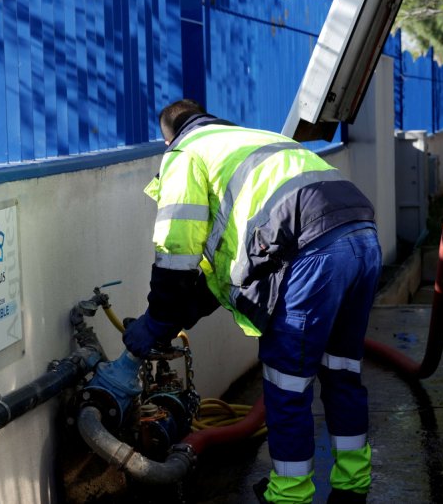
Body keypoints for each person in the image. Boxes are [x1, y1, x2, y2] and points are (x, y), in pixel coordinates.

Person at [122, 99, 381, 504]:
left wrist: (156, 322)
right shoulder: (251, 140)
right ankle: (352, 485)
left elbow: (175, 255)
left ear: (168, 136)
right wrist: (177, 316)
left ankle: (290, 495)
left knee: (287, 383)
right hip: (361, 234)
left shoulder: (185, 153)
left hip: (311, 254)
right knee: (342, 372)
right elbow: (222, 273)